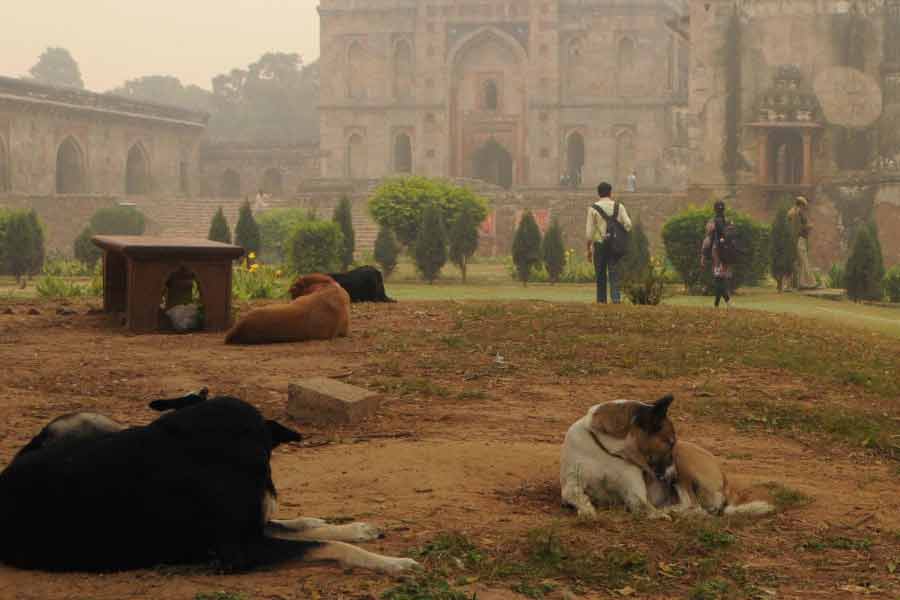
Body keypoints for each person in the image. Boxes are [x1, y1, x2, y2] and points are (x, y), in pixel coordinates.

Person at [586, 182, 633, 304]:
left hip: (600, 245)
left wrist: (588, 250)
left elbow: (589, 233)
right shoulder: (619, 207)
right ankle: (616, 300)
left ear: (598, 193)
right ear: (610, 193)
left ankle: (601, 301)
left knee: (600, 275)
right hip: (614, 245)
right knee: (614, 273)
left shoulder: (593, 209)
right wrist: (619, 232)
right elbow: (628, 225)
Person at [700, 200, 734, 308]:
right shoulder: (729, 221)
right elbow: (732, 237)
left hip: (717, 254)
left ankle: (725, 302)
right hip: (727, 254)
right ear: (724, 209)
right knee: (721, 279)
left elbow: (707, 240)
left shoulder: (712, 222)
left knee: (718, 280)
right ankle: (717, 304)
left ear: (714, 209)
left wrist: (704, 255)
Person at [788, 196, 816, 290]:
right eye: (804, 206)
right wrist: (808, 227)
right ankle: (809, 283)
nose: (805, 208)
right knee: (804, 261)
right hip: (800, 239)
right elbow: (798, 228)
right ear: (801, 204)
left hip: (798, 239)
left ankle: (801, 283)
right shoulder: (797, 213)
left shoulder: (793, 212)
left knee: (799, 262)